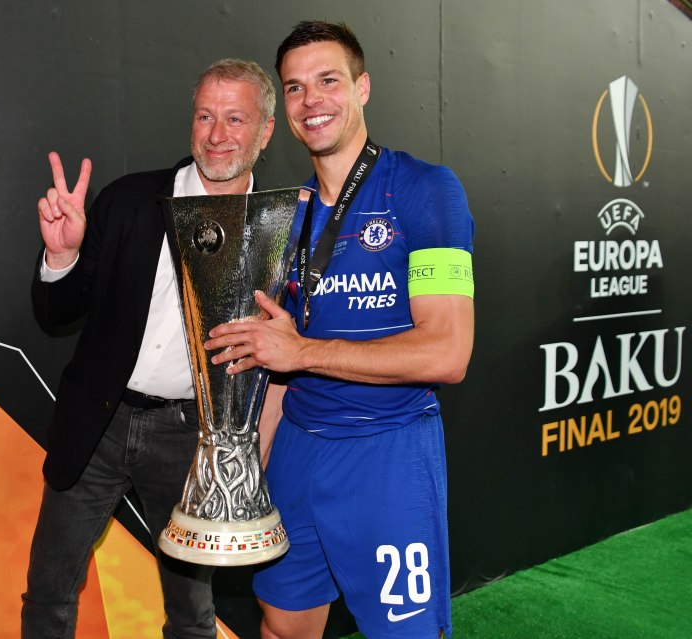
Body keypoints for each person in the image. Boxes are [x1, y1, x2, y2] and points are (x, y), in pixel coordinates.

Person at [204, 22, 475, 639]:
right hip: (299, 447)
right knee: (281, 624)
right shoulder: (284, 213)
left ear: (363, 87)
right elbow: (275, 356)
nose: (311, 100)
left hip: (389, 450)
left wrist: (303, 351)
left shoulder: (425, 190)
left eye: (328, 80)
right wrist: (253, 467)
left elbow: (448, 352)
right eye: (295, 87)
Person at [21, 58, 276, 639]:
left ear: (265, 130)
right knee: (49, 592)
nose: (216, 135)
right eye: (205, 116)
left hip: (191, 439)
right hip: (97, 425)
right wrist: (61, 257)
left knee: (191, 614)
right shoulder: (130, 200)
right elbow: (56, 313)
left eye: (235, 119)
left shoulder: (278, 229)